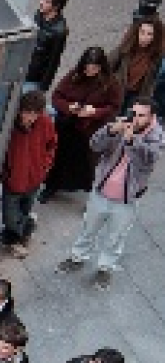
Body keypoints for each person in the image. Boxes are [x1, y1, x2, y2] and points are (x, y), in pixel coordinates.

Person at [57, 98, 163, 288]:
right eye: (134, 113)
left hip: (127, 198)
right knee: (88, 228)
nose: (135, 119)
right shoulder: (121, 123)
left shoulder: (156, 136)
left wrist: (132, 141)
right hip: (102, 190)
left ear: (151, 117)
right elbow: (95, 145)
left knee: (115, 237)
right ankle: (77, 257)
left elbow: (147, 161)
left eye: (141, 115)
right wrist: (110, 131)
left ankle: (105, 268)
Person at [42, 48, 122, 200]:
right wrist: (68, 107)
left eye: (95, 68)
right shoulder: (74, 75)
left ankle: (90, 192)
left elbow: (113, 107)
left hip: (89, 129)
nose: (90, 71)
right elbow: (57, 96)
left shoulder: (110, 83)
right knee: (58, 158)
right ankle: (51, 186)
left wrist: (95, 112)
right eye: (88, 67)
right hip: (67, 125)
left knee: (88, 163)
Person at [0, 90, 58, 257]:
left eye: (35, 114)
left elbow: (52, 145)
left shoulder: (45, 123)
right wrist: (5, 174)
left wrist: (45, 166)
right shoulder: (9, 126)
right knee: (10, 216)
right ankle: (27, 226)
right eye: (27, 112)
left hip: (34, 178)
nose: (30, 118)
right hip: (13, 180)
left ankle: (15, 238)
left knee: (24, 209)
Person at [109, 14, 165, 109]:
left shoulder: (157, 56)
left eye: (149, 34)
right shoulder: (126, 47)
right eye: (142, 32)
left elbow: (152, 82)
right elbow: (107, 65)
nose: (144, 37)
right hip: (117, 91)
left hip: (136, 97)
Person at [26, 0, 69, 92]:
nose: (41, 3)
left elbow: (53, 62)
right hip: (24, 69)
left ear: (56, 6)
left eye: (47, 2)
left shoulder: (59, 31)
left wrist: (42, 88)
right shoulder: (39, 14)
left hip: (34, 79)